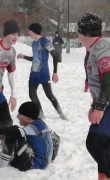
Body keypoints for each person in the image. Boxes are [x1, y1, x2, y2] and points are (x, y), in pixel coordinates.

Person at [0, 101, 60, 171]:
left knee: (13, 132)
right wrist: (50, 159)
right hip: (39, 163)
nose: (17, 116)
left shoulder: (33, 127)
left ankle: (1, 168)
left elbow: (10, 132)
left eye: (20, 114)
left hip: (31, 165)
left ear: (28, 117)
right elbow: (56, 138)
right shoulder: (41, 124)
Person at [77, 12, 110, 180]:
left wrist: (100, 106)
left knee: (95, 143)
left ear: (85, 34)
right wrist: (94, 104)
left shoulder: (103, 46)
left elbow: (108, 77)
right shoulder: (93, 48)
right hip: (104, 102)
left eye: (79, 32)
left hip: (108, 103)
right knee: (105, 145)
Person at [17, 23, 68, 120]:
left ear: (34, 31)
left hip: (43, 73)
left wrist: (55, 72)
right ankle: (40, 114)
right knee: (32, 95)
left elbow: (55, 56)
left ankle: (61, 113)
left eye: (29, 30)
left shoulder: (45, 41)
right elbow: (35, 58)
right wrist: (24, 56)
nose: (28, 32)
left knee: (49, 95)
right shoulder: (34, 43)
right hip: (33, 73)